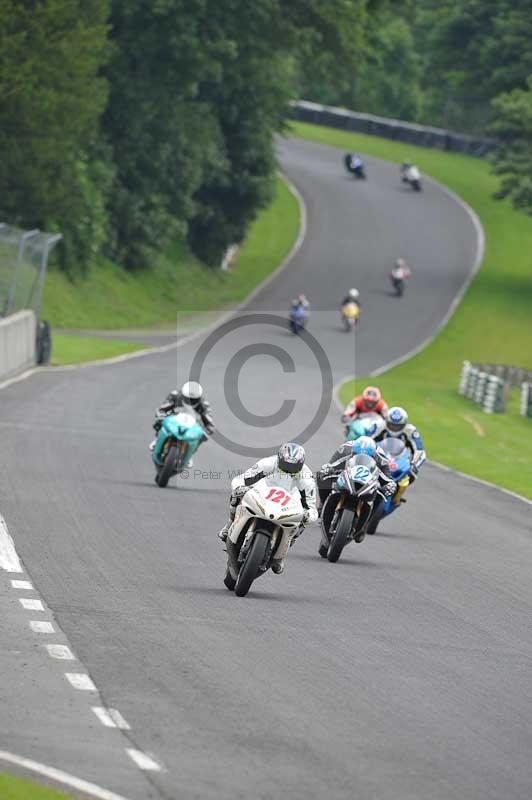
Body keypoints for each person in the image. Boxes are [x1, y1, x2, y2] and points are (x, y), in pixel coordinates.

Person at [218, 443, 318, 574]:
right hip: (264, 495)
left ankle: (282, 554)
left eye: (293, 467)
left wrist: (307, 515)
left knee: (301, 522)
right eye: (286, 465)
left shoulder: (306, 478)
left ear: (301, 465)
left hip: (287, 506)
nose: (289, 470)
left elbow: (312, 508)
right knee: (237, 495)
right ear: (279, 459)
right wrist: (239, 487)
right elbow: (242, 478)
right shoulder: (268, 463)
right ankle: (229, 525)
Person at [318, 437, 396, 542]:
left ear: (373, 455)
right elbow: (332, 464)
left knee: (380, 495)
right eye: (356, 455)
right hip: (346, 473)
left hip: (367, 479)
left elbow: (387, 478)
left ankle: (364, 526)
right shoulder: (346, 448)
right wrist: (327, 469)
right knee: (322, 477)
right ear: (353, 452)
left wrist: (389, 485)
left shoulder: (380, 457)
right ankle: (323, 504)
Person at [149, 381, 214, 453]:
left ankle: (190, 453)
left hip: (191, 426)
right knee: (159, 422)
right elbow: (162, 409)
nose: (190, 401)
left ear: (199, 398)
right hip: (173, 420)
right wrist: (161, 417)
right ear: (183, 394)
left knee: (201, 437)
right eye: (188, 398)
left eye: (193, 400)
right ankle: (158, 439)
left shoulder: (204, 405)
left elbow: (209, 422)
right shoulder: (175, 396)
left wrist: (206, 430)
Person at [375, 406, 426, 484]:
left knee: (411, 474)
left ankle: (398, 493)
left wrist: (414, 465)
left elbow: (420, 451)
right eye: (392, 425)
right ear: (387, 421)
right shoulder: (379, 426)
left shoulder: (411, 431)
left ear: (405, 424)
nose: (394, 428)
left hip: (400, 461)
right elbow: (365, 440)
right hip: (379, 457)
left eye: (398, 426)